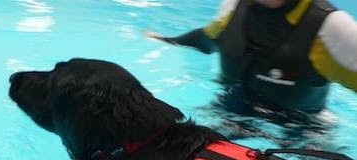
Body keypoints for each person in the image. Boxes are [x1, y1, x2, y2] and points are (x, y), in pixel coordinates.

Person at [145, 0, 357, 114]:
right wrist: (165, 40)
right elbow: (207, 38)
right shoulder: (233, 6)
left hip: (299, 133)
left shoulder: (333, 28)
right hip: (230, 112)